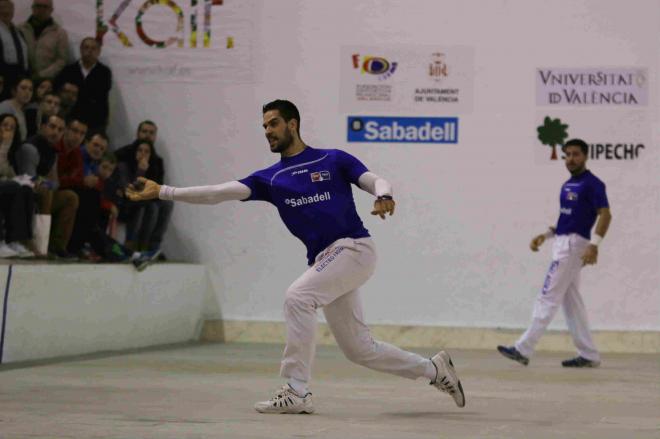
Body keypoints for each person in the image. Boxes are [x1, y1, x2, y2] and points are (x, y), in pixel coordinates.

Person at [127, 99, 466, 414]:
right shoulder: (270, 179)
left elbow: (375, 179)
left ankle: (296, 390)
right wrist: (163, 191)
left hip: (353, 248)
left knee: (297, 297)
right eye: (264, 127)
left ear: (293, 124)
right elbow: (219, 193)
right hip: (326, 260)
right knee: (358, 349)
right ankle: (433, 369)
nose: (268, 132)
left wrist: (384, 195)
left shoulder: (333, 159)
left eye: (273, 124)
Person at [497, 138, 612, 368]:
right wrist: (546, 235)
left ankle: (523, 348)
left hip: (572, 247)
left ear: (586, 156)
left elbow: (605, 214)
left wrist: (594, 244)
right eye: (567, 154)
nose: (571, 158)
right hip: (561, 242)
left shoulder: (593, 184)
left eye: (576, 154)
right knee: (572, 303)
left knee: (548, 296)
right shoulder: (567, 185)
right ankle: (589, 354)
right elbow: (565, 219)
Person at [15, 113, 78, 259]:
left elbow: (56, 182)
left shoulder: (53, 152)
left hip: (40, 193)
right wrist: (47, 183)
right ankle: (37, 245)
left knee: (70, 197)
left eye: (60, 129)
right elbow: (29, 180)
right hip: (21, 194)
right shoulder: (30, 147)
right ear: (42, 127)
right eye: (52, 127)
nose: (55, 132)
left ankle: (57, 247)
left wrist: (46, 183)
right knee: (46, 192)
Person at [55, 37, 111, 132]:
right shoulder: (69, 70)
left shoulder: (104, 72)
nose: (89, 51)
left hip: (95, 121)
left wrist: (76, 91)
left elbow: (100, 94)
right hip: (71, 118)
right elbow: (59, 91)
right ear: (81, 50)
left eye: (93, 48)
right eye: (86, 47)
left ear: (99, 51)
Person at [0, 113, 34, 258]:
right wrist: (4, 145)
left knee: (24, 189)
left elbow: (8, 174)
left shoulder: (11, 153)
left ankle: (15, 240)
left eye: (12, 128)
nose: (7, 130)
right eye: (4, 125)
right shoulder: (4, 148)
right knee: (13, 187)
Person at [19, 0, 69, 82]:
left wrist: (41, 75)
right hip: (22, 80)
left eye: (45, 7)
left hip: (47, 82)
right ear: (32, 8)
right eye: (38, 6)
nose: (41, 9)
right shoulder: (20, 29)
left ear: (51, 10)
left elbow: (62, 60)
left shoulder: (60, 33)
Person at [0, 0, 29, 98]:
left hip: (20, 77)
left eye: (9, 9)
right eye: (2, 8)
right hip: (3, 78)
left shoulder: (18, 31)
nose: (6, 11)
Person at [0, 76, 33, 141]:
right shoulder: (5, 107)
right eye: (23, 88)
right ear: (14, 90)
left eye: (30, 89)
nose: (27, 92)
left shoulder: (21, 111)